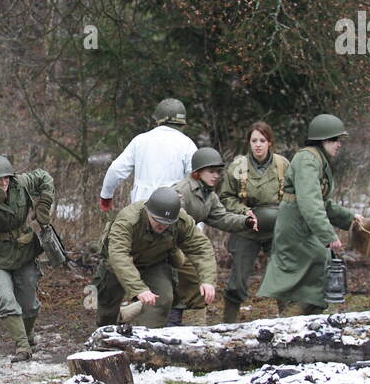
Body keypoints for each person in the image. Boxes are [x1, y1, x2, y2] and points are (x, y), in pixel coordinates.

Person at [257, 113, 361, 315]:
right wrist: (328, 235)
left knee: (318, 265)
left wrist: (350, 218)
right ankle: (290, 321)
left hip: (302, 227)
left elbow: (322, 202)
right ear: (322, 140)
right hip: (296, 230)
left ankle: (309, 318)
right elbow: (309, 202)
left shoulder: (316, 159)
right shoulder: (307, 159)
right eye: (334, 140)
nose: (339, 144)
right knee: (308, 268)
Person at [0, 154, 55, 362]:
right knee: (7, 301)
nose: (4, 183)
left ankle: (27, 335)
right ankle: (22, 346)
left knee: (29, 305)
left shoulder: (20, 184)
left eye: (6, 178)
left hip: (23, 253)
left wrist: (44, 202)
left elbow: (45, 177)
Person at [92, 186, 216, 328]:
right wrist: (139, 288)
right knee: (107, 310)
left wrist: (207, 280)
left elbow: (201, 248)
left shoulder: (181, 221)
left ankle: (146, 339)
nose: (162, 225)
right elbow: (119, 255)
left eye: (167, 222)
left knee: (162, 299)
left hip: (154, 262)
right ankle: (106, 339)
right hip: (116, 265)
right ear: (148, 211)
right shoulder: (129, 219)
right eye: (157, 220)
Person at [169, 147, 256, 325]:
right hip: (171, 246)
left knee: (184, 289)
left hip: (188, 245)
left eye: (218, 171)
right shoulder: (182, 191)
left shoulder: (209, 195)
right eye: (211, 171)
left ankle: (192, 329)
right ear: (197, 172)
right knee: (184, 286)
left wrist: (244, 221)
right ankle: (193, 329)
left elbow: (221, 218)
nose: (216, 175)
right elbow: (171, 223)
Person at [219, 122, 290, 323]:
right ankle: (228, 325)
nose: (258, 145)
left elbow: (294, 194)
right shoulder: (237, 167)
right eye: (254, 141)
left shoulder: (282, 165)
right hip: (246, 229)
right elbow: (226, 197)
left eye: (262, 140)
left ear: (270, 142)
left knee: (283, 275)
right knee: (237, 280)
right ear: (249, 143)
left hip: (276, 229)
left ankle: (288, 322)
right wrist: (243, 211)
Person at [98, 98, 196, 212]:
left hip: (142, 210)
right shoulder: (188, 145)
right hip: (173, 212)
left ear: (158, 120)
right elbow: (195, 183)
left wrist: (106, 196)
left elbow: (115, 170)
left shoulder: (140, 141)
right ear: (183, 123)